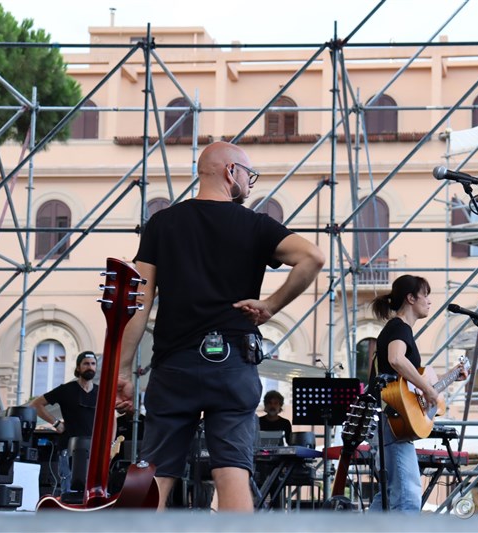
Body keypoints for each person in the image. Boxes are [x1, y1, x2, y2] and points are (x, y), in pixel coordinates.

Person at [115, 141, 324, 512]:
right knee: (232, 471)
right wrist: (271, 307)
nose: (250, 182)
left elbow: (139, 302)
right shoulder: (256, 224)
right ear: (231, 172)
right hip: (232, 363)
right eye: (248, 174)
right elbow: (312, 257)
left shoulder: (162, 224)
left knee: (158, 472)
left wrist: (124, 369)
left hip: (174, 363)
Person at [368, 275, 467, 514]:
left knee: (388, 496)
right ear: (411, 298)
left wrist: (449, 377)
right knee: (408, 498)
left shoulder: (398, 329)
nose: (430, 301)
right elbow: (396, 359)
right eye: (426, 295)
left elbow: (409, 387)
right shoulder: (399, 327)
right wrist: (428, 388)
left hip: (389, 421)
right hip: (392, 422)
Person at [29, 351, 98, 494]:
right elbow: (36, 404)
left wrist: (110, 442)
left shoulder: (101, 392)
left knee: (93, 492)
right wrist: (56, 424)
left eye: (93, 364)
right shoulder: (66, 389)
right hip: (69, 447)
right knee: (69, 491)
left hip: (94, 449)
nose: (90, 367)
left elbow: (111, 416)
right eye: (86, 363)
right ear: (78, 367)